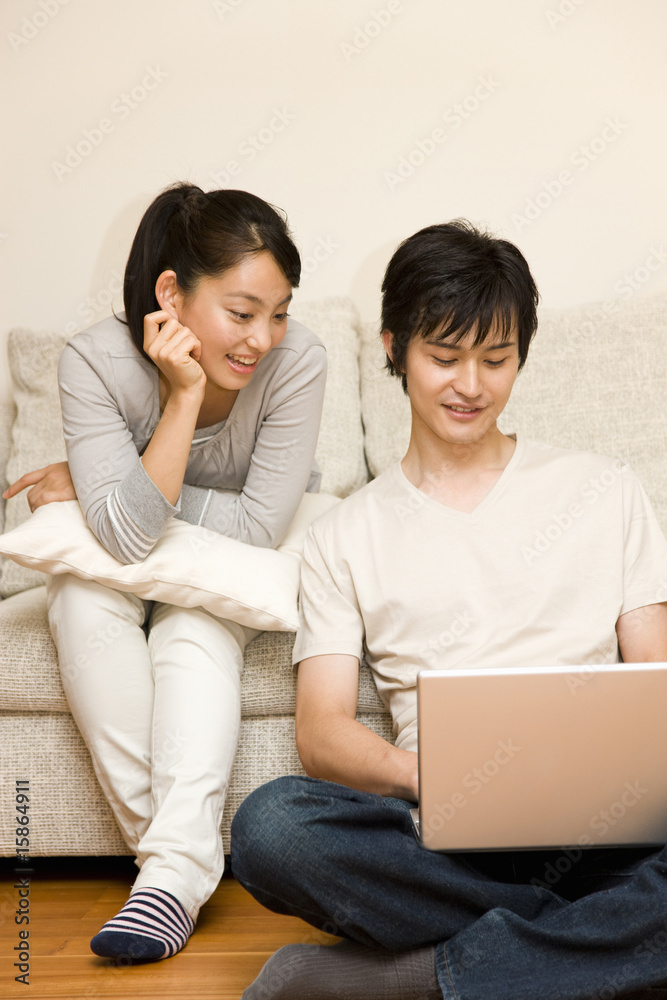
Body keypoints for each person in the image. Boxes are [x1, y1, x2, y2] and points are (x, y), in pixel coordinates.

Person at [230, 220, 667, 1000]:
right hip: (442, 844)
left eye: (495, 359)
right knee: (270, 827)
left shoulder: (606, 490)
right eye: (443, 357)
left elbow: (656, 681)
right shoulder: (343, 535)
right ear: (394, 349)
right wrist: (432, 776)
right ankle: (596, 945)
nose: (471, 385)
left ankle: (424, 976)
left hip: (611, 836)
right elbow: (322, 732)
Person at [3, 182, 327, 963]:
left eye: (279, 313)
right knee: (80, 596)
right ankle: (179, 870)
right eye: (241, 312)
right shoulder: (93, 362)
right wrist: (182, 398)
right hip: (132, 556)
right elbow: (121, 541)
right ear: (171, 295)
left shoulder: (299, 363)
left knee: (194, 622)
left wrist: (119, 482)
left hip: (225, 571)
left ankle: (166, 877)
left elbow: (255, 532)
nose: (263, 338)